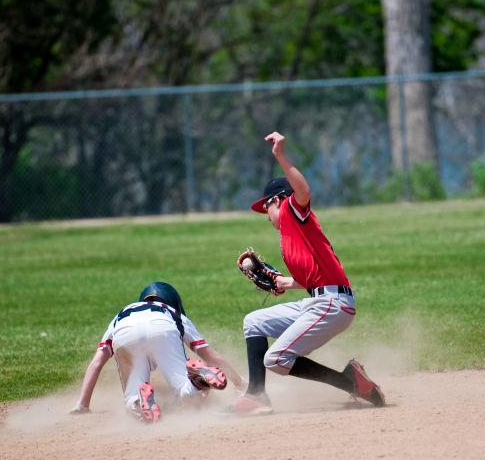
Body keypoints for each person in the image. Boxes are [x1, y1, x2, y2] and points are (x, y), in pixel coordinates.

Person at [230, 131, 385, 415]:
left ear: (278, 200)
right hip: (319, 300)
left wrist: (280, 155)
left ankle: (348, 382)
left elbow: (303, 192)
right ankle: (255, 394)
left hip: (333, 304)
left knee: (275, 359)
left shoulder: (293, 210)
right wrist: (283, 283)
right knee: (253, 322)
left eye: (266, 207)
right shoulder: (292, 236)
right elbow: (312, 278)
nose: (266, 215)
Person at [70, 281, 245, 422]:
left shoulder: (122, 313)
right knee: (184, 391)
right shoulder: (173, 312)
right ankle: (196, 381)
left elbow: (97, 363)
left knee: (131, 400)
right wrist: (239, 383)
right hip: (163, 328)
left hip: (125, 332)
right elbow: (209, 354)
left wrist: (82, 404)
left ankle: (139, 400)